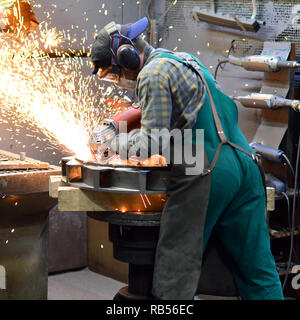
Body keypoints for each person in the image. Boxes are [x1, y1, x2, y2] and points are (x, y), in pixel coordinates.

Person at [90, 17, 284, 300]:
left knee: (175, 276)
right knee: (258, 273)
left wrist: (111, 144)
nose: (118, 81)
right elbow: (154, 108)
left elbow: (150, 143)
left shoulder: (151, 75)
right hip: (245, 165)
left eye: (114, 74)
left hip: (206, 171)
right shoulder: (184, 60)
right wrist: (115, 122)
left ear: (128, 57)